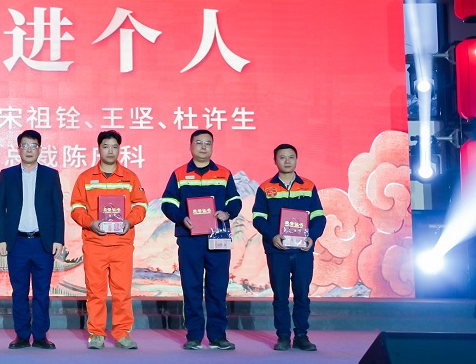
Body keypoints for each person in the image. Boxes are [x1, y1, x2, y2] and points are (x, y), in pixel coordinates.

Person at [160, 129, 242, 351]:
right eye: (199, 143)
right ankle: (194, 336)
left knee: (218, 288)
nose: (203, 147)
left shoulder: (223, 173)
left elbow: (235, 201)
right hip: (190, 239)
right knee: (192, 287)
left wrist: (227, 213)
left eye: (208, 143)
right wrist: (181, 217)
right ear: (190, 146)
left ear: (212, 147)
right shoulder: (179, 174)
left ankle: (218, 336)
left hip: (218, 238)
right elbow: (167, 203)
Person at [70, 130, 148, 350]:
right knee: (95, 292)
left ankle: (122, 334)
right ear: (99, 148)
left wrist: (129, 221)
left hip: (122, 244)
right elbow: (76, 208)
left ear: (119, 149)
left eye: (114, 147)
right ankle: (96, 333)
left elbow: (141, 205)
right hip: (95, 243)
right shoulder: (86, 178)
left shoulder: (130, 177)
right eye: (106, 146)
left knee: (122, 292)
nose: (110, 151)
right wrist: (90, 222)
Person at [252, 144, 327, 351]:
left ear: (296, 160)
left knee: (302, 294)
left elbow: (319, 217)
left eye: (291, 157)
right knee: (280, 296)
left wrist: (312, 237)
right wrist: (272, 236)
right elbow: (258, 218)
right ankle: (283, 336)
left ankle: (301, 336)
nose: (287, 161)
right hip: (278, 250)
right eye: (282, 157)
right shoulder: (266, 188)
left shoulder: (308, 187)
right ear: (275, 161)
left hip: (303, 251)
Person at [0, 130, 65, 350]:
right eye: (24, 145)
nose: (29, 149)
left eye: (33, 145)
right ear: (18, 149)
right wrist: (1, 238)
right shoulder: (7, 175)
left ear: (39, 149)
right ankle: (22, 335)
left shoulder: (50, 175)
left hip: (43, 243)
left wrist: (58, 238)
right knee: (19, 292)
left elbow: (58, 209)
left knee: (42, 292)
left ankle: (41, 336)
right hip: (17, 242)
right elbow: (0, 210)